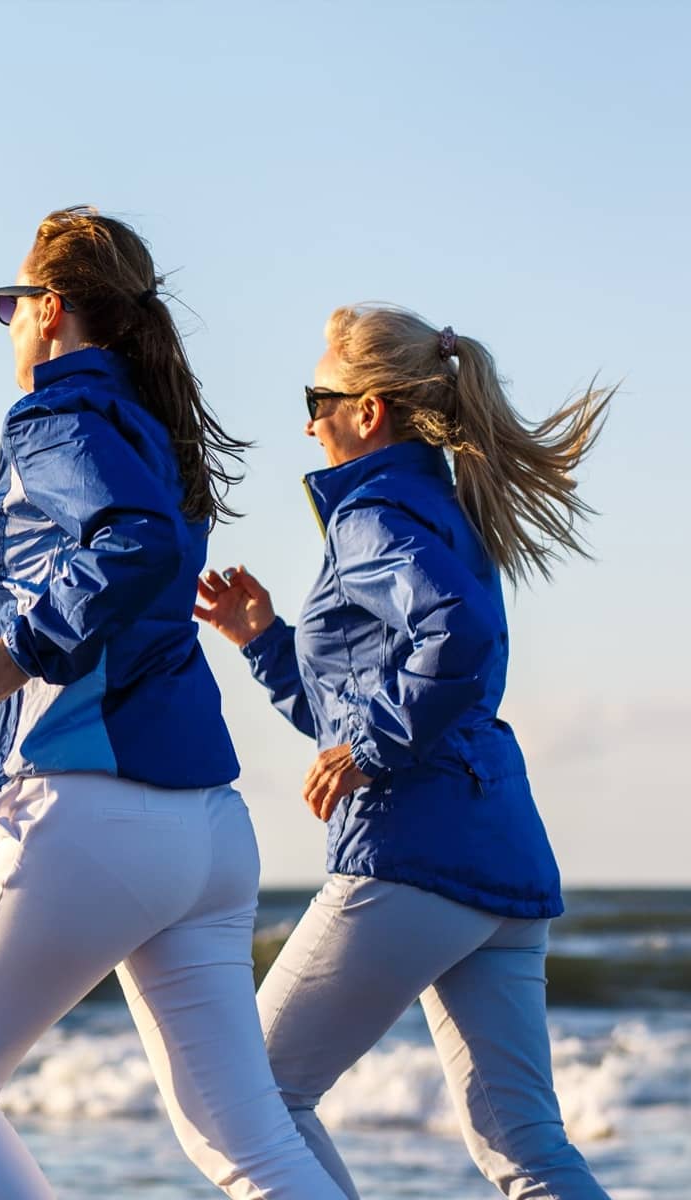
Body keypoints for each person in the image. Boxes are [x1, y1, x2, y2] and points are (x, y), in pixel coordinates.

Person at [0, 205, 344, 1200]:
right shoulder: (150, 430)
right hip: (208, 830)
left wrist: (20, 648)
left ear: (51, 309)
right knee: (250, 1144)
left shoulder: (54, 416)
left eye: (11, 302)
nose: (9, 322)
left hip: (100, 809)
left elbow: (127, 552)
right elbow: (114, 585)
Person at [195, 304, 614, 1199]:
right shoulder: (443, 508)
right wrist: (265, 638)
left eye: (318, 397)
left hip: (411, 856)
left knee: (247, 1099)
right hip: (499, 862)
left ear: (368, 409)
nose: (307, 420)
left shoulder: (372, 516)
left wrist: (374, 750)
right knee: (528, 1150)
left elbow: (455, 640)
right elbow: (372, 697)